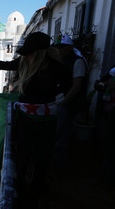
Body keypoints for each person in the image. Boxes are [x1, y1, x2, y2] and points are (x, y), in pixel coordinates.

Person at [0, 32, 68, 209]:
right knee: (22, 158)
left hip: (46, 122)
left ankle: (34, 198)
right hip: (25, 119)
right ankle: (20, 195)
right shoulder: (24, 63)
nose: (27, 55)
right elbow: (4, 65)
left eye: (30, 52)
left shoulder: (56, 68)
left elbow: (68, 87)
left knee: (41, 161)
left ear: (40, 53)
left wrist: (59, 99)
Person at [51, 34, 88, 171]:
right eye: (58, 47)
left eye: (62, 47)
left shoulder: (77, 62)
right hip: (61, 102)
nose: (59, 50)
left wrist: (63, 103)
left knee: (62, 135)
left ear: (70, 47)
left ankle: (61, 165)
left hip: (68, 104)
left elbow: (76, 86)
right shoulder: (63, 60)